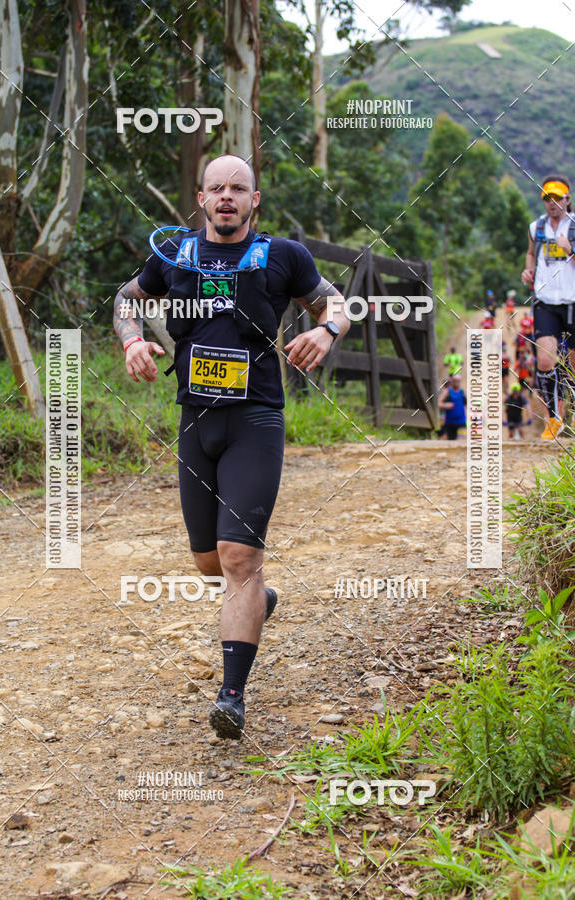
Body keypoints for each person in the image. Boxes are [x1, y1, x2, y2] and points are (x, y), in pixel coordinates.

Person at [113, 155, 350, 739]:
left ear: (254, 200)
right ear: (201, 198)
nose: (226, 196)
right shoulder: (175, 254)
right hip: (195, 421)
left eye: (238, 189)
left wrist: (326, 330)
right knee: (208, 562)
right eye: (216, 188)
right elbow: (126, 298)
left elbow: (337, 302)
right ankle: (256, 599)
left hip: (256, 420)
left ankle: (232, 696)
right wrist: (132, 340)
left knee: (239, 557)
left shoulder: (284, 256)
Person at [521, 173, 575, 440]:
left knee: (572, 365)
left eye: (556, 198)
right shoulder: (536, 227)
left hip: (572, 301)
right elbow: (531, 253)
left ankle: (571, 415)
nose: (551, 203)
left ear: (567, 199)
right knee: (544, 360)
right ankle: (553, 418)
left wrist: (570, 251)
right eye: (547, 198)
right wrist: (528, 271)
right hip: (545, 302)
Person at [438, 372, 467, 440]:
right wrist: (446, 405)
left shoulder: (462, 392)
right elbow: (439, 404)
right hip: (449, 422)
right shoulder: (447, 392)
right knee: (451, 442)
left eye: (458, 381)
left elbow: (466, 405)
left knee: (461, 441)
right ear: (452, 381)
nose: (456, 383)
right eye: (454, 381)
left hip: (461, 422)